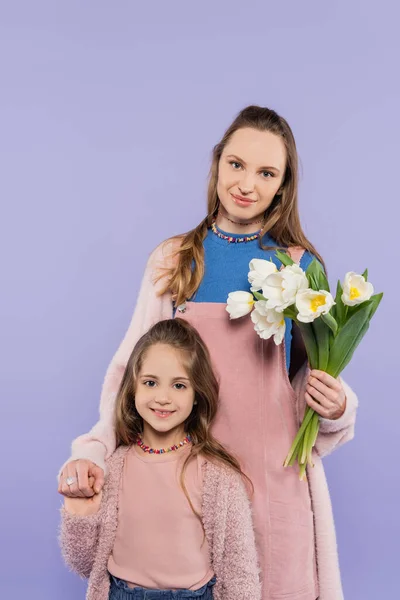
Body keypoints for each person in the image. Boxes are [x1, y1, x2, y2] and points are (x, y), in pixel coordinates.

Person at [59, 105, 358, 600]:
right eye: (236, 164)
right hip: (185, 485)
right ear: (218, 163)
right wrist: (94, 450)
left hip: (274, 481)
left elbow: (308, 377)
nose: (246, 183)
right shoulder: (176, 260)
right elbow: (131, 369)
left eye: (266, 173)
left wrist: (339, 407)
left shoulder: (299, 268)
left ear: (283, 186)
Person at [60, 319, 261, 600]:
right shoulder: (113, 468)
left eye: (179, 385)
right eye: (151, 383)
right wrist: (80, 512)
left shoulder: (218, 476)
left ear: (196, 395)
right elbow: (83, 564)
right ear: (133, 388)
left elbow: (240, 575)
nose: (163, 397)